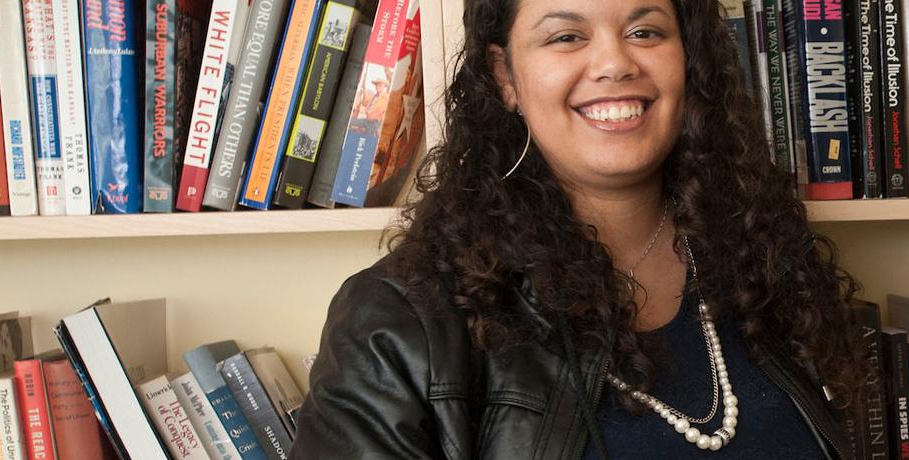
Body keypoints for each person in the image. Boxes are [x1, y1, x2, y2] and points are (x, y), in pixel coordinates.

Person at [290, 0, 867, 457]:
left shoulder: (767, 262)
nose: (616, 63)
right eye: (566, 36)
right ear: (504, 77)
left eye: (646, 32)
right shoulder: (396, 323)